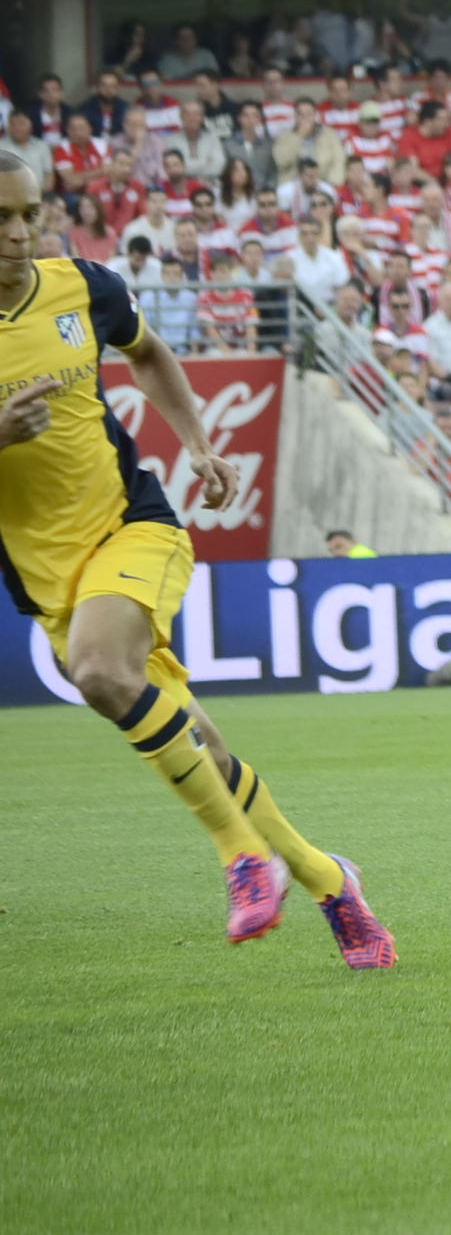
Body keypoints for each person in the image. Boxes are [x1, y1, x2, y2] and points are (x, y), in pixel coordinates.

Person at [0, 152, 394, 967]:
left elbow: (147, 356)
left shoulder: (84, 287)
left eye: (27, 215)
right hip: (46, 582)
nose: (15, 234)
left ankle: (240, 858)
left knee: (102, 674)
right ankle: (330, 882)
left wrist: (200, 445)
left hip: (131, 527)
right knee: (203, 748)